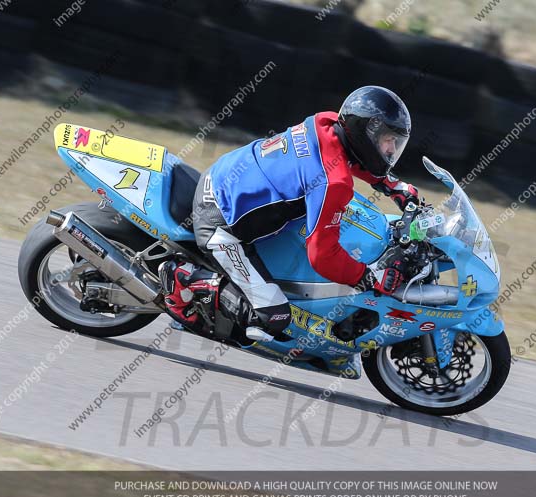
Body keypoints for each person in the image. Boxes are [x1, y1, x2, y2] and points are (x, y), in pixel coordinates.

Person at [161, 86, 420, 340]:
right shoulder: (335, 183)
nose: (390, 150)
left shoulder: (325, 123)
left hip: (222, 177)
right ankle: (184, 278)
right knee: (274, 316)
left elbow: (346, 157)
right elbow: (322, 256)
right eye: (388, 140)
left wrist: (392, 185)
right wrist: (366, 277)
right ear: (366, 132)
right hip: (220, 223)